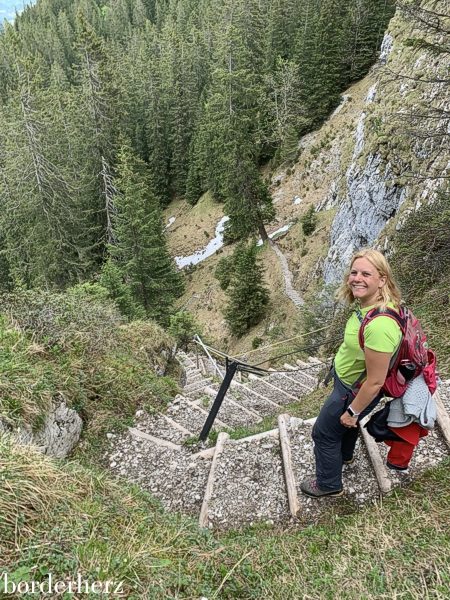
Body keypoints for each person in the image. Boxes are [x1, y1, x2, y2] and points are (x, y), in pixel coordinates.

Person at [300, 248, 403, 498]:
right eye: (354, 272)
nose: (357, 278)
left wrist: (353, 411)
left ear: (382, 280)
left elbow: (376, 380)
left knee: (323, 433)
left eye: (366, 273)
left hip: (352, 391)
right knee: (344, 426)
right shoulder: (373, 307)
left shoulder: (380, 325)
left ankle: (328, 485)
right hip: (349, 384)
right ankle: (344, 456)